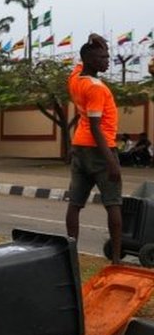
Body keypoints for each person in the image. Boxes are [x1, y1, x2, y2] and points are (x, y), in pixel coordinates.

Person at [65, 34, 122, 263]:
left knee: (75, 204)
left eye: (107, 56)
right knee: (113, 204)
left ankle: (70, 254)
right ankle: (117, 260)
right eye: (102, 57)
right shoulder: (96, 88)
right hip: (100, 149)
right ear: (89, 60)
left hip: (79, 147)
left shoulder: (76, 77)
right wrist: (111, 162)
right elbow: (97, 128)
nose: (107, 60)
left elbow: (81, 59)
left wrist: (97, 42)